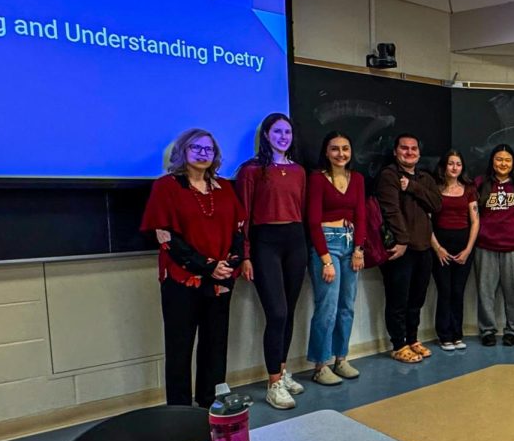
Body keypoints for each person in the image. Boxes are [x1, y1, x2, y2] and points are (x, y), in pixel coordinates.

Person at [141, 129, 245, 408]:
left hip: (221, 279)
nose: (203, 154)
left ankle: (210, 404)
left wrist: (228, 265)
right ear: (183, 152)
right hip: (182, 280)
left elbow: (239, 231)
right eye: (196, 148)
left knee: (215, 345)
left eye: (208, 149)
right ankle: (179, 412)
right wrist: (208, 266)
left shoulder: (224, 188)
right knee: (179, 347)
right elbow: (166, 238)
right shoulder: (166, 187)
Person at [235, 113, 307, 410]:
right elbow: (244, 216)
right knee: (276, 313)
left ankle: (283, 369)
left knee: (289, 312)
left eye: (287, 131)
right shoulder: (251, 171)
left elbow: (300, 207)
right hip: (265, 243)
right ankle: (273, 382)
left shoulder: (299, 171)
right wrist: (246, 255)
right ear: (266, 135)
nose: (283, 136)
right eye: (277, 131)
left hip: (295, 240)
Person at [305, 131, 365, 386]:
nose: (341, 154)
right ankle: (321, 365)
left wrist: (359, 249)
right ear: (326, 152)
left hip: (351, 243)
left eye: (345, 148)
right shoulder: (317, 180)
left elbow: (361, 214)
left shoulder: (358, 179)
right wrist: (325, 259)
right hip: (326, 245)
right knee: (326, 308)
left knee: (347, 306)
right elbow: (313, 221)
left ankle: (341, 358)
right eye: (335, 149)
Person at [377, 133, 442, 363]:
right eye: (404, 148)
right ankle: (398, 344)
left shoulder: (424, 177)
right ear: (395, 151)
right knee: (398, 300)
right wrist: (402, 241)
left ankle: (413, 339)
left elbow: (437, 203)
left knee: (417, 299)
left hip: (424, 248)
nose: (409, 152)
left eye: (414, 148)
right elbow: (391, 211)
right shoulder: (389, 176)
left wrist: (412, 187)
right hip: (400, 250)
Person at [474, 144, 514, 347]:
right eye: (498, 159)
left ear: (513, 163)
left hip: (513, 247)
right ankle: (487, 330)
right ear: (492, 162)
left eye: (507, 160)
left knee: (513, 291)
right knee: (485, 290)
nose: (502, 163)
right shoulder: (480, 183)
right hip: (485, 246)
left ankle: (513, 330)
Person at [430, 150, 479, 352]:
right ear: (444, 166)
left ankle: (457, 334)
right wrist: (438, 248)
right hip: (440, 247)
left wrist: (468, 249)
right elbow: (427, 221)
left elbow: (475, 221)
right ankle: (444, 335)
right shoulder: (434, 189)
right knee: (445, 291)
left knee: (458, 291)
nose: (454, 168)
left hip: (463, 247)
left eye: (458, 164)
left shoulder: (468, 189)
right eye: (451, 163)